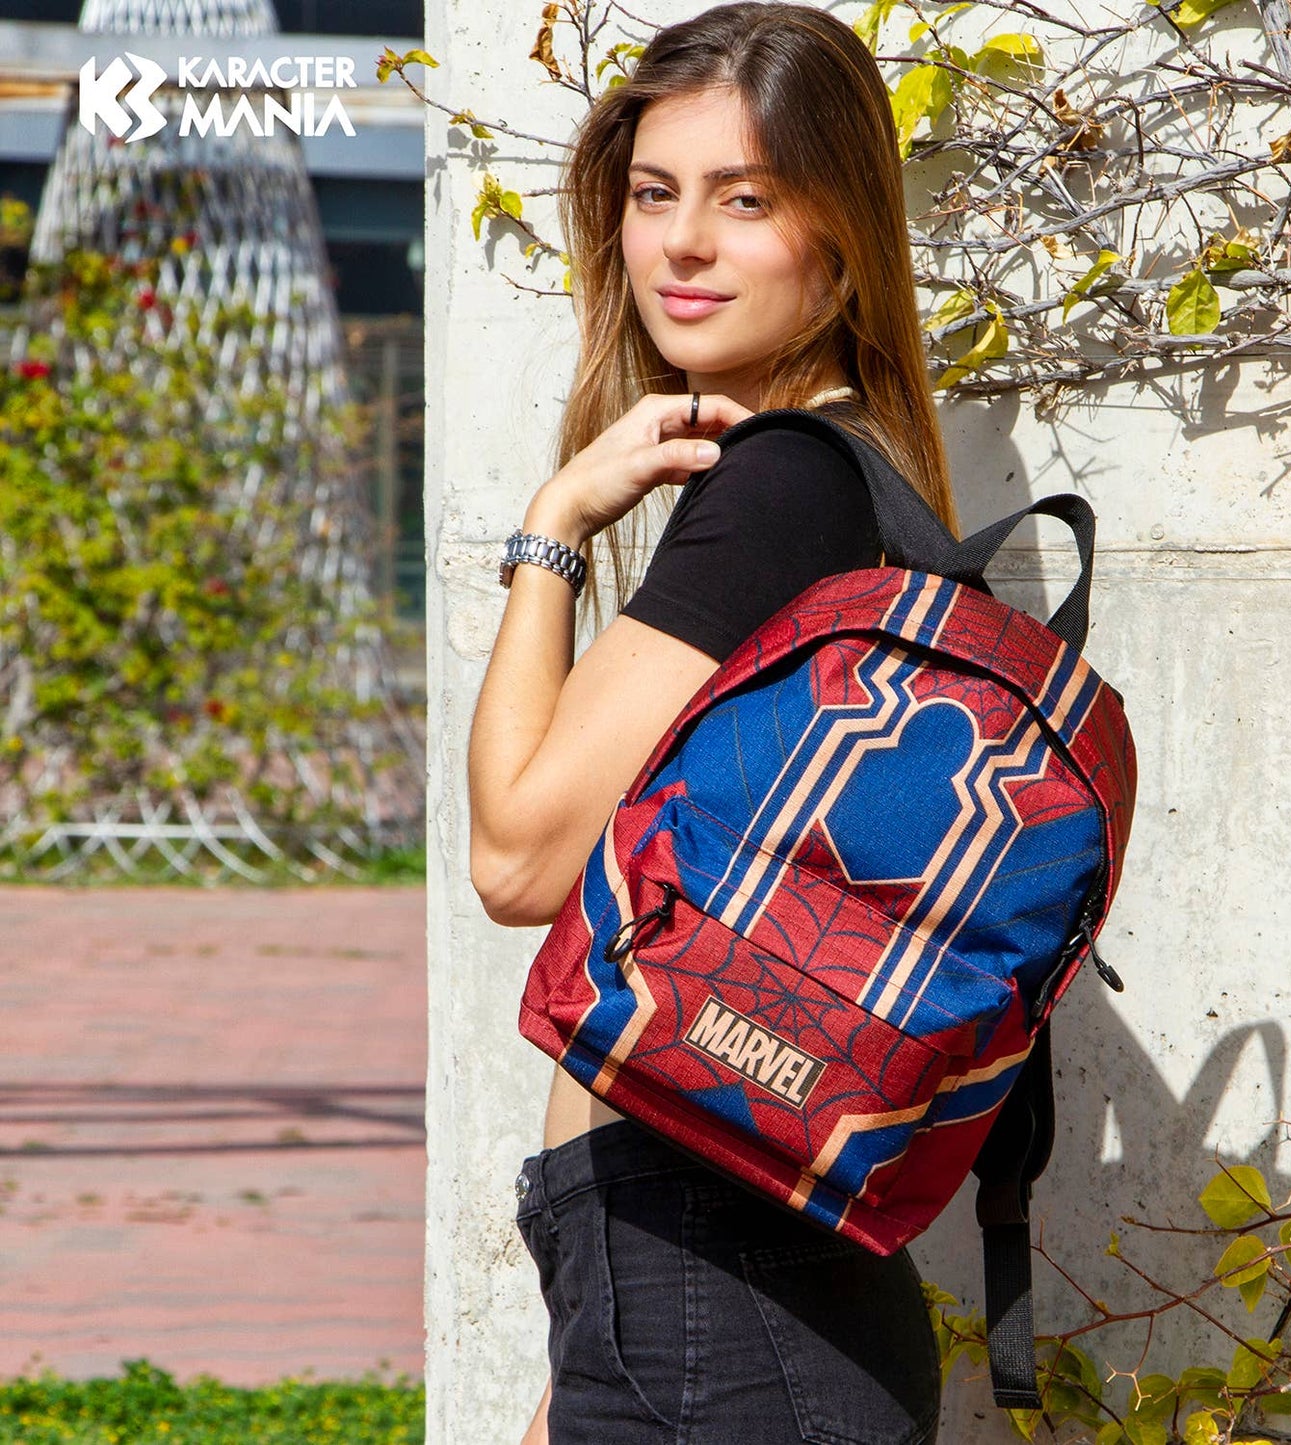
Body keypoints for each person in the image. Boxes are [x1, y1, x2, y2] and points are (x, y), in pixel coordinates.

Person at [468, 6, 961, 1442]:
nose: (681, 243)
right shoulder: (860, 479)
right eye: (652, 192)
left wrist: (551, 528)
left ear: (840, 237)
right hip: (710, 1292)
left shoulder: (782, 489)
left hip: (717, 1298)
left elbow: (518, 860)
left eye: (745, 200)